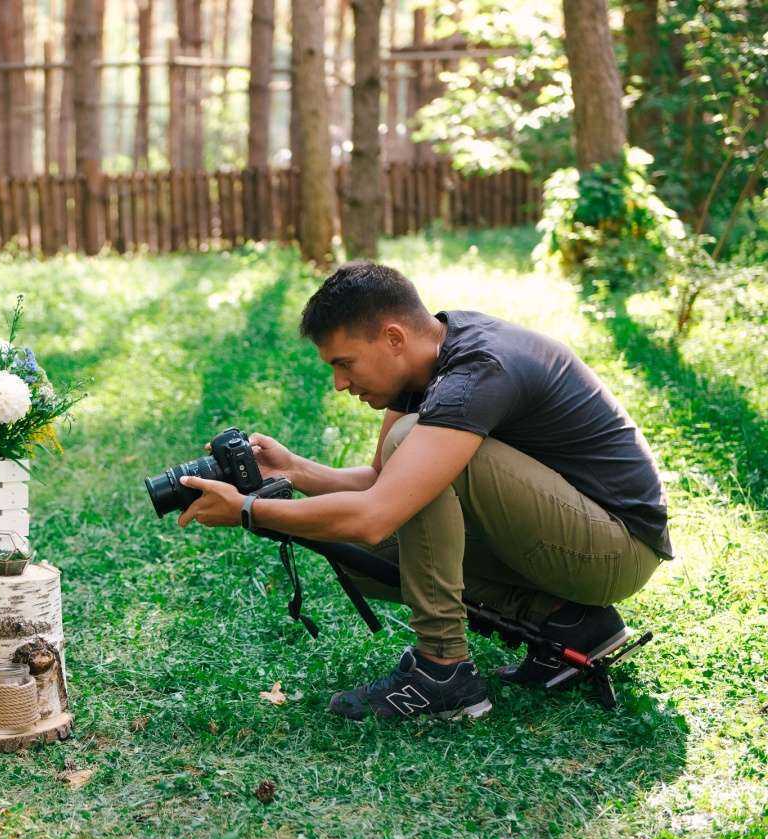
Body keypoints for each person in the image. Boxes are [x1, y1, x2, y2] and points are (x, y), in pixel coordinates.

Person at [176, 262, 671, 721]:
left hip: (615, 547)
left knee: (402, 449)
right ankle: (569, 622)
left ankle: (443, 670)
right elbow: (384, 481)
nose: (339, 383)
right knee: (359, 549)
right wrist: (294, 470)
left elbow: (375, 513)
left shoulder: (476, 371)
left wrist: (249, 510)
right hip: (572, 534)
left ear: (393, 337)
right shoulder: (426, 360)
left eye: (346, 363)